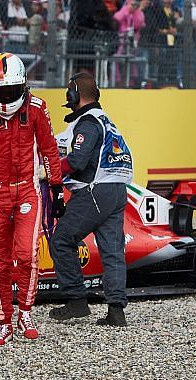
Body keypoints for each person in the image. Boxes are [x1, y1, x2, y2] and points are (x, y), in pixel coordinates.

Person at [0, 53, 65, 345]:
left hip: (28, 189)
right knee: (0, 263)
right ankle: (5, 322)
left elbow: (49, 150)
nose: (5, 97)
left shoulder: (38, 108)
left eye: (11, 90)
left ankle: (26, 312)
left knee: (27, 254)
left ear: (24, 85)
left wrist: (57, 188)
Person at [48, 72, 133, 327]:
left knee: (62, 240)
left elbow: (76, 161)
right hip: (117, 191)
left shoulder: (87, 123)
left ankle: (76, 302)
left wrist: (49, 171)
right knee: (113, 252)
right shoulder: (106, 120)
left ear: (74, 95)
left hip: (94, 191)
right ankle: (116, 311)